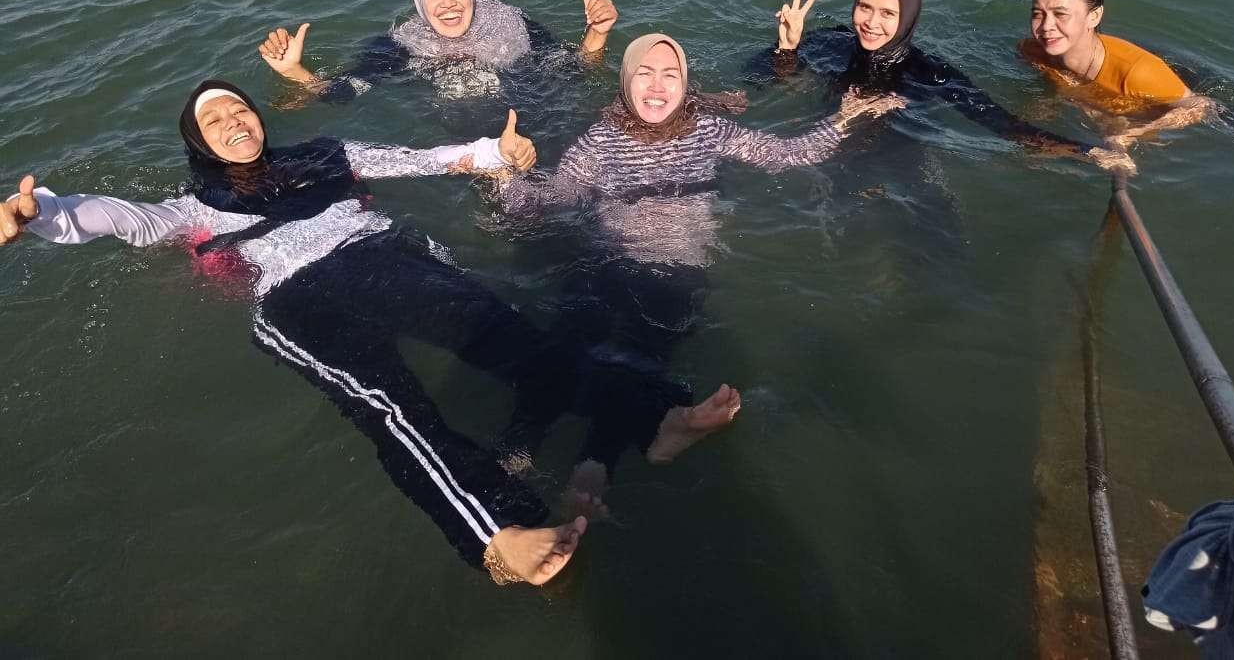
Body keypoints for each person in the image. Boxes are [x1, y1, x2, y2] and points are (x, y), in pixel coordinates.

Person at [0, 80, 740, 585]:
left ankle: (655, 417)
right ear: (198, 142)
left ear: (260, 116)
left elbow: (413, 161)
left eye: (239, 109)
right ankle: (495, 535)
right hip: (298, 300)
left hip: (381, 254)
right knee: (394, 407)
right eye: (214, 120)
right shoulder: (191, 204)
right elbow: (116, 217)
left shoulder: (324, 154)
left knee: (518, 339)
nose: (234, 122)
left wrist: (493, 154)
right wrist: (45, 215)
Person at [492, 34, 898, 491]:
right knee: (563, 347)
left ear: (685, 85)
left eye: (671, 75)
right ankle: (514, 455)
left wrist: (843, 121)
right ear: (626, 82)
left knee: (638, 360)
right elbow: (544, 206)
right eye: (644, 73)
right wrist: (503, 170)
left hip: (677, 273)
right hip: (607, 261)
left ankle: (593, 471)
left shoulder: (709, 129)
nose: (657, 85)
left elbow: (784, 156)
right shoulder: (598, 143)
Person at [753, 0, 1134, 173]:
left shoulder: (929, 72)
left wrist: (1086, 151)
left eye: (888, 13)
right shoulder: (827, 43)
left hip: (893, 162)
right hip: (815, 153)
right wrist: (786, 49)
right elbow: (764, 86)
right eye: (864, 7)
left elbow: (1001, 123)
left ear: (908, 17)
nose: (871, 22)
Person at [256, 0, 621, 102]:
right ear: (420, 4)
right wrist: (296, 72)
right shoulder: (402, 45)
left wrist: (598, 33)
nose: (446, 2)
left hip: (532, 113)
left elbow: (577, 73)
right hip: (462, 139)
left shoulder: (512, 22)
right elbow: (345, 93)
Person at [1021, 0, 1212, 147]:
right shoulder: (1031, 52)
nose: (1046, 26)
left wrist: (1134, 133)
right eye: (1038, 14)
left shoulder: (1137, 71)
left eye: (1060, 14)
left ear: (1094, 16)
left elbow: (1201, 105)